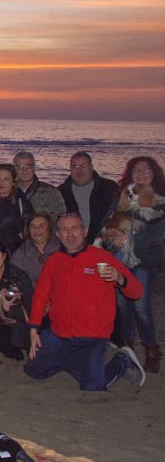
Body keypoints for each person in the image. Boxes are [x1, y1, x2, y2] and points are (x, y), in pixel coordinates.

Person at [24, 213, 145, 391]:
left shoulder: (102, 258)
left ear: (85, 231)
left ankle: (123, 360)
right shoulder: (54, 261)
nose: (70, 234)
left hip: (92, 338)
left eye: (75, 228)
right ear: (58, 235)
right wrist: (34, 329)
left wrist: (119, 278)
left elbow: (136, 293)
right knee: (34, 372)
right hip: (58, 335)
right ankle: (71, 361)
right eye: (64, 230)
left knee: (93, 385)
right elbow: (41, 296)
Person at [103, 157, 165, 373]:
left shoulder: (161, 201)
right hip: (120, 259)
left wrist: (135, 238)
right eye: (135, 170)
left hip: (145, 261)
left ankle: (151, 350)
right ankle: (126, 349)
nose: (140, 173)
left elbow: (160, 236)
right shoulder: (122, 197)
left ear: (154, 173)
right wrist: (113, 239)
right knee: (122, 305)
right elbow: (107, 226)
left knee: (141, 306)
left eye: (145, 170)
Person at [58, 151, 118, 245]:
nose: (79, 170)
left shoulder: (109, 188)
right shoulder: (61, 192)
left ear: (91, 168)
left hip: (104, 244)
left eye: (83, 166)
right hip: (71, 246)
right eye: (75, 167)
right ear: (70, 169)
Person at [12, 151, 66, 223]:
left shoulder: (51, 192)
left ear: (34, 167)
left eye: (28, 166)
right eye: (20, 166)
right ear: (14, 169)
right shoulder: (8, 192)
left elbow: (61, 221)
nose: (24, 170)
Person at [11, 213, 60, 284]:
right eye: (32, 226)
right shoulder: (21, 254)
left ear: (50, 228)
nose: (36, 230)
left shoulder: (62, 250)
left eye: (41, 226)